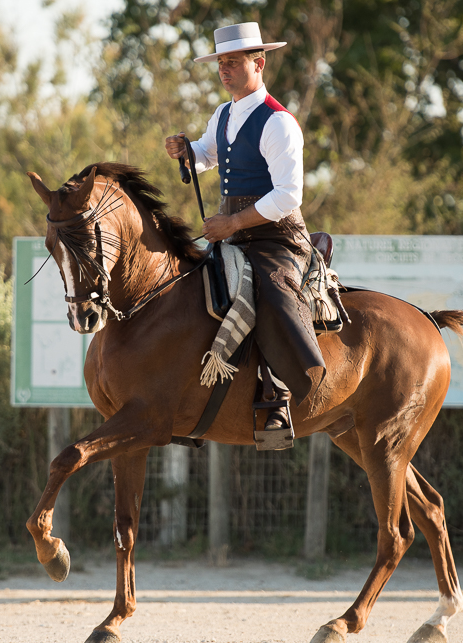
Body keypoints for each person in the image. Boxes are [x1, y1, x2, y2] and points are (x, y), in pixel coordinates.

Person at [165, 22, 325, 430]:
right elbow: (208, 154)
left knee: (270, 293)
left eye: (233, 62)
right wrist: (188, 151)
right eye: (221, 62)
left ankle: (279, 397)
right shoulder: (223, 113)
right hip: (232, 233)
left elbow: (289, 195)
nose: (224, 69)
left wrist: (232, 221)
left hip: (278, 238)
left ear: (259, 62)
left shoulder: (279, 122)